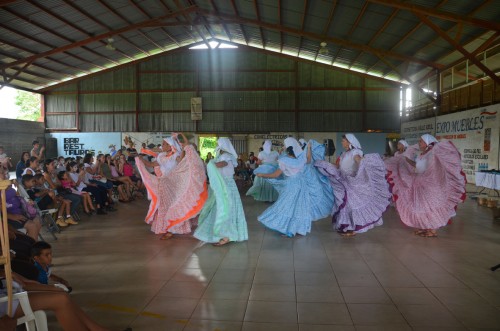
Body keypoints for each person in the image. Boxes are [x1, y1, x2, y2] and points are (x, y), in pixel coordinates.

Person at [385, 134, 466, 237]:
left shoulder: (433, 152)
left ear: (427, 142)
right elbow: (417, 165)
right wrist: (405, 161)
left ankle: (432, 230)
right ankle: (424, 226)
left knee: (431, 207)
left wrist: (438, 147)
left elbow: (435, 166)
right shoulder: (422, 154)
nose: (419, 143)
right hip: (420, 183)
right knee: (421, 206)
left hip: (430, 185)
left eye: (421, 141)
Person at [0, 270, 132, 331]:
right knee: (60, 300)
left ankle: (98, 329)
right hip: (4, 302)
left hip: (7, 291)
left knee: (62, 294)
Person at [315, 134, 391, 237]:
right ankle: (347, 227)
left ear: (349, 142)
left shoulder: (355, 152)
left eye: (344, 141)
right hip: (344, 181)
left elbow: (358, 160)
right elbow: (337, 166)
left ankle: (353, 228)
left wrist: (364, 162)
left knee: (352, 205)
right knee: (345, 205)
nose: (342, 142)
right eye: (342, 141)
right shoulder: (343, 154)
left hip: (353, 183)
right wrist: (325, 164)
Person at [136, 133, 207, 240]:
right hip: (164, 184)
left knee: (174, 205)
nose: (162, 145)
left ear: (170, 145)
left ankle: (172, 229)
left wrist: (181, 135)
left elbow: (186, 150)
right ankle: (166, 228)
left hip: (175, 184)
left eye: (164, 144)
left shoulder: (177, 155)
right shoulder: (161, 157)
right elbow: (150, 165)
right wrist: (140, 160)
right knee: (164, 205)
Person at [256, 138, 333, 237]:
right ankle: (294, 229)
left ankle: (287, 228)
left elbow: (275, 175)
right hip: (302, 185)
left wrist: (262, 175)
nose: (283, 147)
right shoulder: (300, 159)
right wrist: (309, 148)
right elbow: (309, 160)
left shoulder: (284, 161)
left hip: (291, 185)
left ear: (288, 149)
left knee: (286, 206)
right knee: (299, 207)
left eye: (284, 145)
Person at [194, 137, 248, 246]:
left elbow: (223, 164)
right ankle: (222, 234)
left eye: (218, 144)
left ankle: (226, 235)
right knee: (221, 207)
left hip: (227, 185)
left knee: (227, 208)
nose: (216, 146)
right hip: (222, 185)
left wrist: (210, 164)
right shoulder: (220, 156)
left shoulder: (227, 156)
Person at [0, 166, 42, 240]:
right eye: (2, 173)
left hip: (21, 210)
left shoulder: (6, 184)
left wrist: (26, 201)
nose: (5, 175)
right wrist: (13, 216)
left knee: (37, 220)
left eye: (5, 173)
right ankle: (31, 247)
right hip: (9, 216)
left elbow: (17, 195)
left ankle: (33, 245)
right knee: (32, 226)